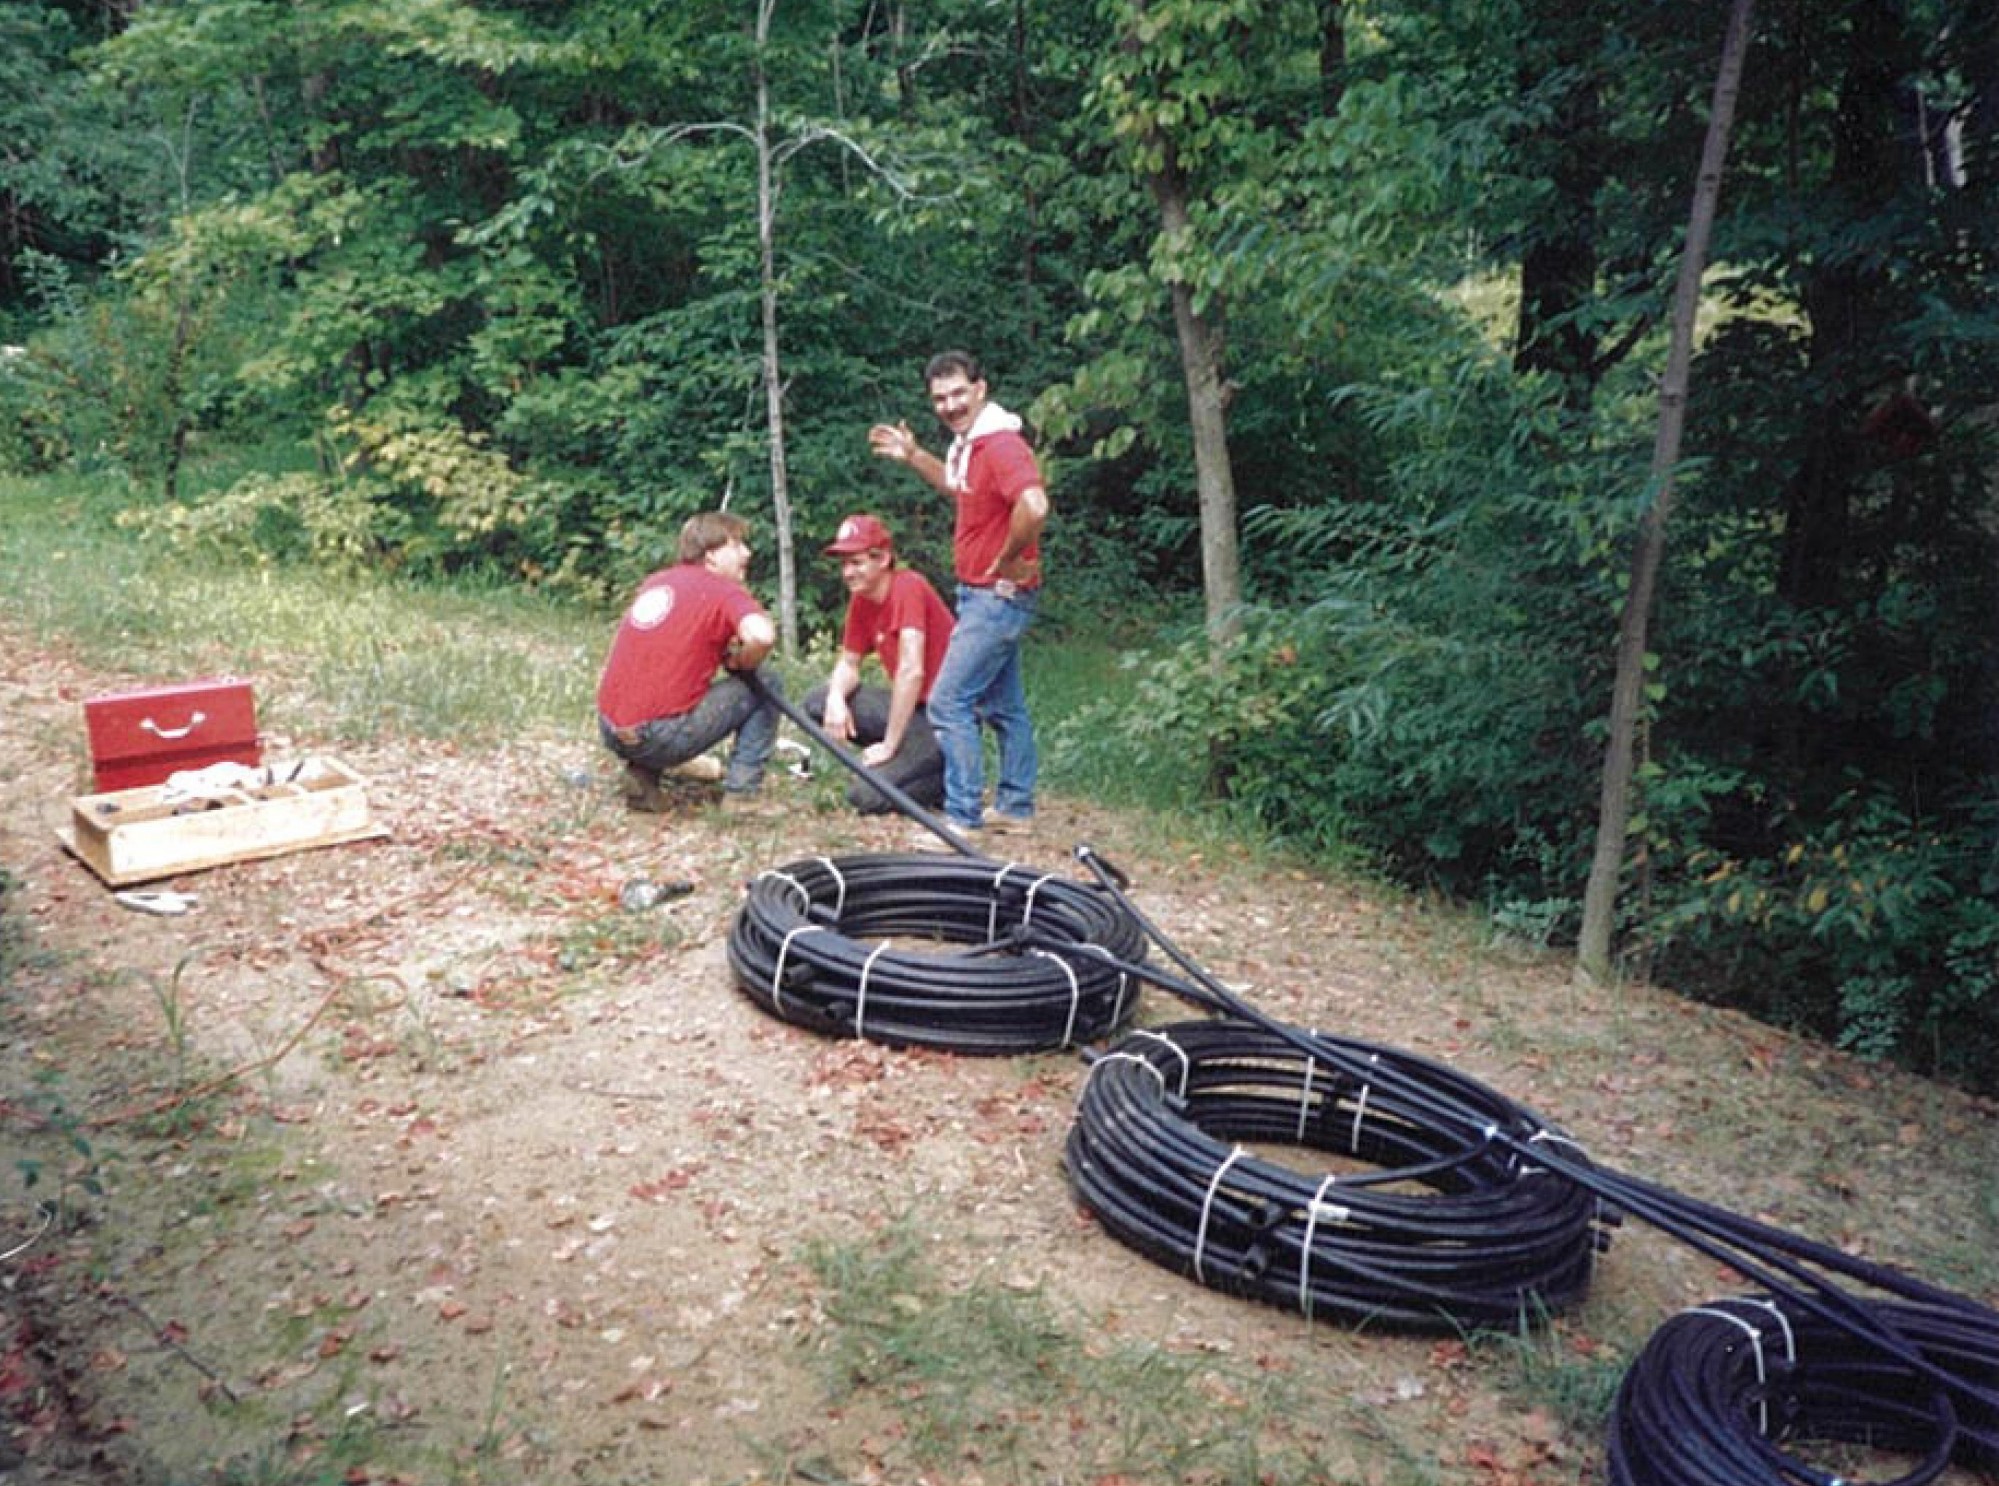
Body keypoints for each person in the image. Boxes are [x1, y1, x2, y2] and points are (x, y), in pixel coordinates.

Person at [867, 351, 1049, 834]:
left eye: (958, 393)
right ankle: (1015, 807)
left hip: (998, 595)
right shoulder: (971, 445)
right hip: (983, 593)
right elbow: (957, 488)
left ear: (981, 389)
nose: (949, 406)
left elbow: (1033, 505)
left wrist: (1011, 554)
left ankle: (963, 819)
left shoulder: (1000, 445)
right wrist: (913, 455)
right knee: (1004, 707)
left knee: (949, 702)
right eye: (940, 398)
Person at [595, 511, 783, 811]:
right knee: (768, 682)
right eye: (736, 545)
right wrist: (746, 662)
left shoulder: (657, 582)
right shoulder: (724, 591)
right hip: (660, 735)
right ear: (711, 557)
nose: (746, 553)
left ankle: (642, 776)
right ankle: (742, 796)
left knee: (658, 691)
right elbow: (762, 636)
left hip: (610, 729)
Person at [803, 513, 954, 815]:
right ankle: (910, 766)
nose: (847, 572)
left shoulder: (908, 586)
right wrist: (836, 697)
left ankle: (944, 779)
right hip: (913, 712)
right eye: (843, 564)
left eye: (856, 563)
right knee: (817, 701)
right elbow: (849, 662)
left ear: (883, 559)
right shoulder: (862, 599)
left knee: (865, 797)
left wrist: (889, 744)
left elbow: (912, 670)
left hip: (945, 718)